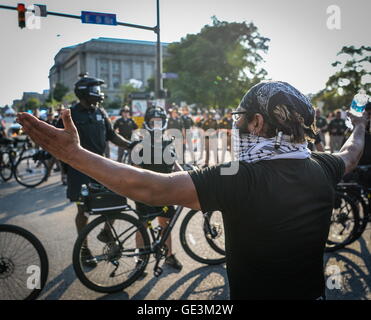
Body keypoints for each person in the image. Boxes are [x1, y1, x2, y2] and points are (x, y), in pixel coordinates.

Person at [17, 80, 369, 300]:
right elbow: (351, 154)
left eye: (242, 119)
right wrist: (361, 124)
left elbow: (151, 189)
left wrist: (72, 154)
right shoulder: (323, 167)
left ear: (258, 123)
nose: (237, 127)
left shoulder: (240, 177)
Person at [56, 75, 132, 267]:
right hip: (79, 169)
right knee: (83, 210)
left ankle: (106, 232)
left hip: (100, 166)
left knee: (117, 199)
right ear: (84, 92)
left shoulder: (100, 112)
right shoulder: (70, 114)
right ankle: (84, 250)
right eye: (95, 90)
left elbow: (112, 135)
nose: (99, 94)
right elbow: (58, 143)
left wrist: (131, 144)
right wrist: (64, 169)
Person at [131, 106, 183, 272]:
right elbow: (135, 169)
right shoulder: (140, 144)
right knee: (143, 225)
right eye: (153, 123)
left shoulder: (169, 143)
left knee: (165, 224)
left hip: (165, 192)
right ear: (147, 124)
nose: (156, 126)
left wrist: (188, 176)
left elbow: (174, 165)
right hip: (145, 193)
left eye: (159, 122)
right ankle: (140, 259)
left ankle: (169, 256)